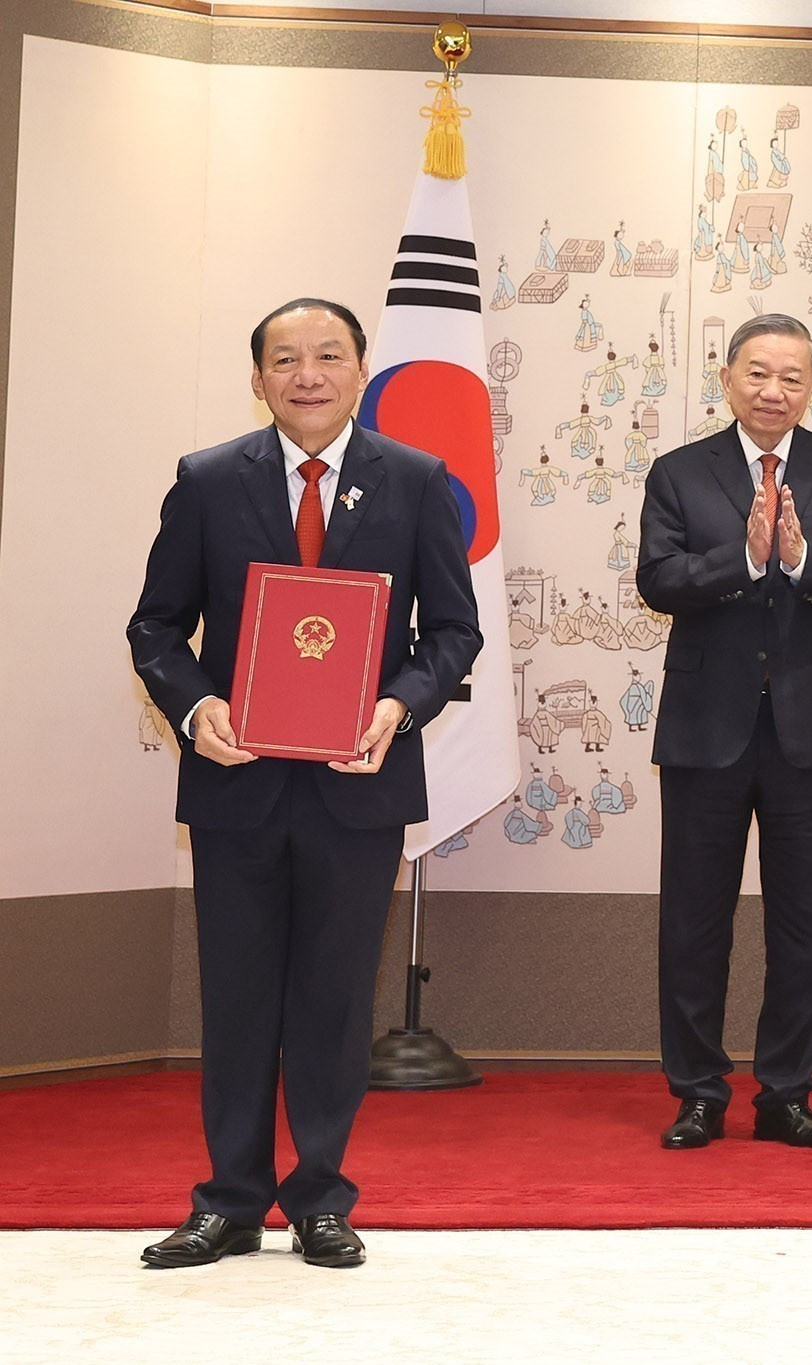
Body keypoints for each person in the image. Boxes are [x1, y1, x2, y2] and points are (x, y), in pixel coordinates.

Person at [126, 298, 481, 1268]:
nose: (308, 373)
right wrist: (200, 711)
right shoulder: (206, 482)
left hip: (358, 785)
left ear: (361, 369)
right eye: (286, 358)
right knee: (236, 998)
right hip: (236, 787)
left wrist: (396, 707)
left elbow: (452, 635)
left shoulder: (415, 481)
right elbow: (156, 628)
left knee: (331, 1000)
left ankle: (322, 1198)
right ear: (259, 377)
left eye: (329, 355)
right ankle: (229, 1201)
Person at [637, 313, 812, 1151]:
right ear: (728, 376)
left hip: (808, 731)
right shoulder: (679, 472)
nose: (773, 390)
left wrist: (797, 559)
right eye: (757, 373)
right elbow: (659, 579)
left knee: (804, 922)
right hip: (705, 727)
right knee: (694, 920)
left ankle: (786, 1091)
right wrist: (743, 560)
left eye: (791, 377)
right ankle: (698, 1091)